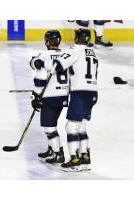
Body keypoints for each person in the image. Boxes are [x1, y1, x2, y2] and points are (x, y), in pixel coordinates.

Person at [54, 28, 98, 171]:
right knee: (82, 126)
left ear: (77, 38)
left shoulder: (75, 50)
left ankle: (74, 160)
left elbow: (58, 66)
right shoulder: (93, 53)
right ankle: (85, 158)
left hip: (80, 93)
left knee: (71, 127)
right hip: (93, 93)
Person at [30, 30, 69, 164]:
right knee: (52, 123)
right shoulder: (66, 55)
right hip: (63, 95)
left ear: (47, 42)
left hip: (50, 97)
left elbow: (39, 81)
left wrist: (35, 96)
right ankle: (52, 149)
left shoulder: (44, 55)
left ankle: (58, 154)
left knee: (49, 127)